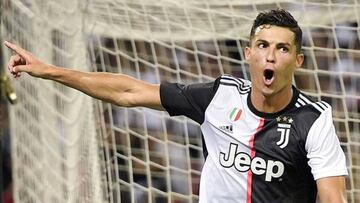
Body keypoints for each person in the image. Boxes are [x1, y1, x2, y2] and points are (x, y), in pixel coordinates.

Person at [4, 9, 348, 203]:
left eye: (282, 48)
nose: (270, 55)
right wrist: (49, 71)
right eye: (262, 45)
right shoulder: (219, 96)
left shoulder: (314, 121)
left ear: (299, 60)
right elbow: (128, 91)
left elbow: (333, 198)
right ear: (248, 53)